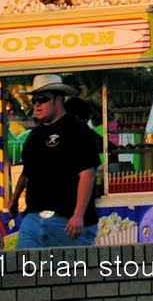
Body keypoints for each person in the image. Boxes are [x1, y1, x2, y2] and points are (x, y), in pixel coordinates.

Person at [9, 74, 99, 248]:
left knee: (70, 266)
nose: (37, 104)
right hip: (33, 219)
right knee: (23, 265)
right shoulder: (34, 135)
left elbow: (87, 173)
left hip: (67, 220)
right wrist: (14, 199)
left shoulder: (78, 130)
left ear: (58, 99)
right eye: (34, 100)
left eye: (43, 99)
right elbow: (27, 172)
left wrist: (78, 215)